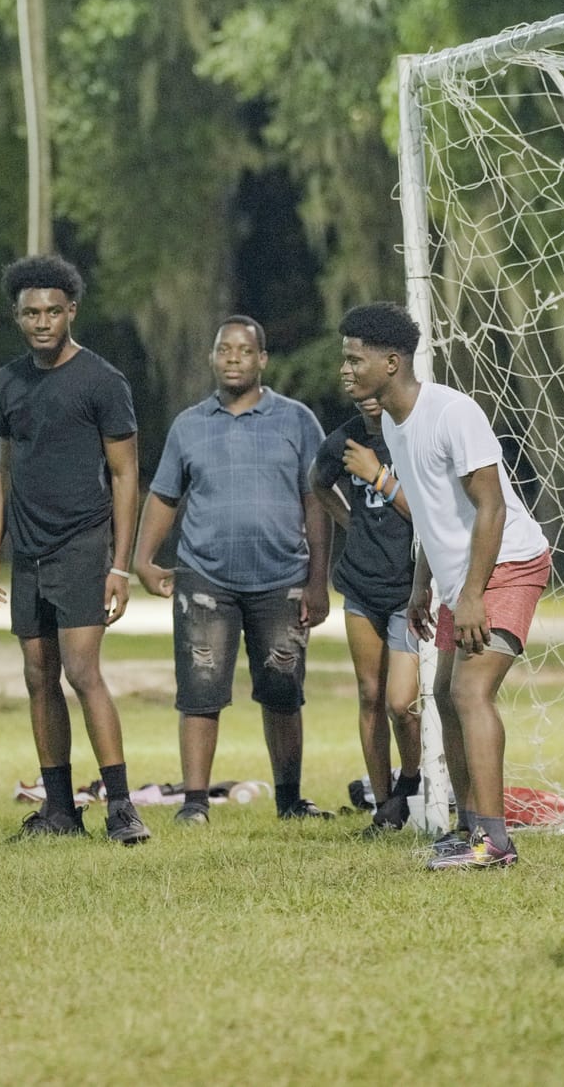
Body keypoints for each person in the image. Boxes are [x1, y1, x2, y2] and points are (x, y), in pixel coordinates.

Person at [337, 303, 553, 871]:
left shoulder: (453, 413)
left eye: (354, 359)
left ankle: (495, 842)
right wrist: (421, 588)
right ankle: (470, 828)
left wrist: (475, 594)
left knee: (469, 692)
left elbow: (492, 508)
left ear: (391, 362)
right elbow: (432, 516)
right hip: (461, 579)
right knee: (443, 695)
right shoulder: (392, 423)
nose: (346, 370)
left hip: (509, 563)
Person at [133, 316, 334, 824]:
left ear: (262, 359)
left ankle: (290, 800)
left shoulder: (297, 421)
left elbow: (316, 501)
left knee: (283, 692)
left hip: (282, 578)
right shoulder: (189, 424)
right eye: (225, 350)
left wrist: (317, 580)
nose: (234, 359)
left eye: (245, 351)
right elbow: (164, 495)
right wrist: (142, 558)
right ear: (212, 357)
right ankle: (195, 803)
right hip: (205, 577)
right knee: (199, 691)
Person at [0, 256, 150, 845]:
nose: (43, 322)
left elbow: (126, 475)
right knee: (37, 674)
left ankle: (121, 807)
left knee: (82, 671)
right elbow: (4, 468)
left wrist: (120, 564)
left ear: (71, 311)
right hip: (27, 550)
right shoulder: (8, 381)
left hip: (82, 543)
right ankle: (59, 810)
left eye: (53, 311)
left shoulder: (102, 381)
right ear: (17, 316)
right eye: (31, 313)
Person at [312, 396, 421, 835]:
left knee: (401, 703)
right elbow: (318, 484)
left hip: (410, 589)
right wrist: (351, 521)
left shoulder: (414, 436)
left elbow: (428, 515)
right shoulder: (343, 440)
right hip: (360, 586)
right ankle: (384, 805)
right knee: (369, 694)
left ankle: (410, 783)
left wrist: (378, 476)